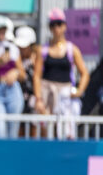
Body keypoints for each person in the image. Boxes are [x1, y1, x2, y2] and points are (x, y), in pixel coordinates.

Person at [33, 8, 89, 138]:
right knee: (46, 131)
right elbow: (37, 76)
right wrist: (38, 98)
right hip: (47, 92)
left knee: (67, 131)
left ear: (65, 26)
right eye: (53, 25)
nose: (56, 28)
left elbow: (84, 73)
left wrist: (79, 91)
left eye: (59, 24)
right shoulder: (43, 50)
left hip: (65, 93)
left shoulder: (72, 49)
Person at [0, 15, 24, 139]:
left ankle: (10, 157)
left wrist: (16, 73)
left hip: (13, 91)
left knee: (13, 129)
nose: (2, 32)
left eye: (4, 29)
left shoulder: (12, 48)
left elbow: (23, 75)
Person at [13, 26, 38, 118]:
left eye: (24, 46)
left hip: (33, 98)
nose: (21, 49)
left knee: (34, 127)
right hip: (18, 97)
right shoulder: (15, 57)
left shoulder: (37, 58)